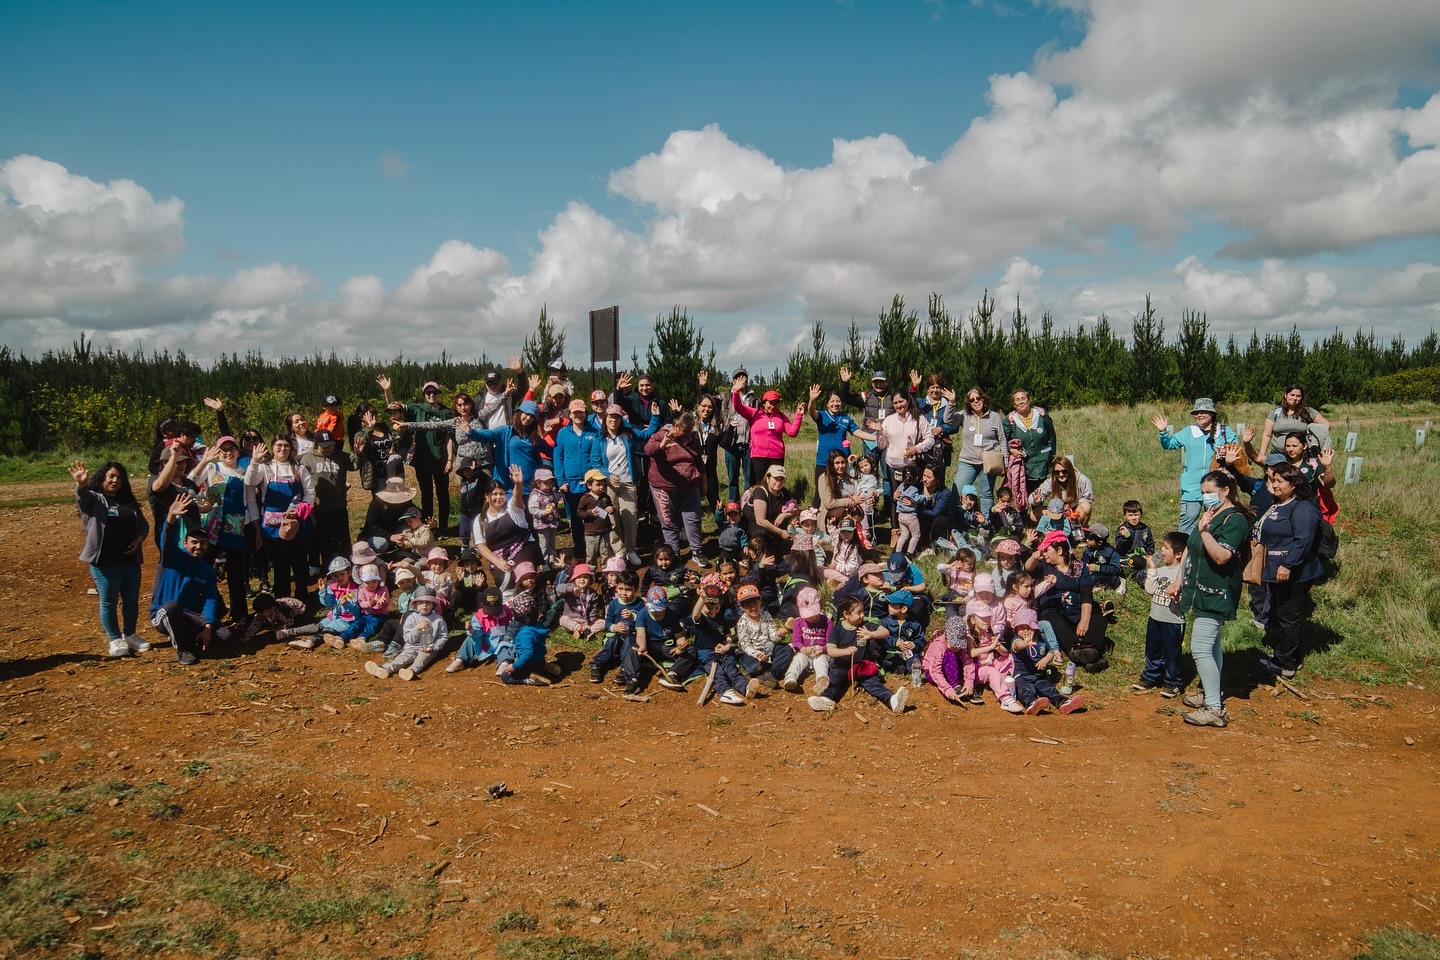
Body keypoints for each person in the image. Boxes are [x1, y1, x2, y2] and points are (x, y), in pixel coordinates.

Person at [1177, 470, 1253, 728]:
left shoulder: (1235, 520)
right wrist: (1179, 580)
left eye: (1209, 492)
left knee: (1200, 648)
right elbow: (1191, 549)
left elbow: (1221, 557)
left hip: (1217, 593)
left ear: (1225, 491)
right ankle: (1212, 693)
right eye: (1202, 492)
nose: (1205, 497)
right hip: (1200, 590)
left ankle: (1214, 709)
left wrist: (1205, 532)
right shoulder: (1211, 513)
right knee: (1211, 647)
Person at [71, 459, 150, 658]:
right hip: (105, 562)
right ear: (102, 479)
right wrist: (81, 484)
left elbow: (143, 524)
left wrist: (139, 540)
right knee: (109, 602)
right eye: (111, 476)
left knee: (131, 600)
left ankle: (130, 635)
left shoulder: (128, 501)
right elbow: (82, 496)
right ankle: (115, 639)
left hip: (130, 562)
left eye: (119, 477)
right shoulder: (94, 500)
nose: (115, 480)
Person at [1254, 462, 1324, 680]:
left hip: (1293, 573)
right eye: (1273, 480)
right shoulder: (1278, 504)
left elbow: (1303, 540)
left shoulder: (1302, 508)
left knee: (1288, 616)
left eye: (1280, 481)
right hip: (1275, 569)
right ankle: (1292, 656)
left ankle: (1285, 663)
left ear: (1293, 485)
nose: (1274, 485)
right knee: (1282, 613)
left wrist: (1287, 565)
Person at [149, 493, 229, 665]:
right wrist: (171, 517)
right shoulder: (171, 557)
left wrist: (208, 627)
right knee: (172, 607)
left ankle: (191, 635)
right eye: (194, 542)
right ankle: (183, 648)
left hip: (189, 615)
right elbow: (166, 539)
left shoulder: (207, 570)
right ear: (185, 543)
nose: (198, 546)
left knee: (224, 637)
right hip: (164, 613)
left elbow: (209, 599)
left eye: (203, 543)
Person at [188, 436, 258, 625]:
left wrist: (256, 528)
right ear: (218, 452)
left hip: (236, 528)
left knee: (236, 574)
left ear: (237, 451)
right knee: (203, 567)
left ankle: (239, 614)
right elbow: (190, 482)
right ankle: (211, 608)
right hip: (212, 528)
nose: (228, 453)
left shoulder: (244, 474)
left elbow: (251, 502)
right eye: (224, 449)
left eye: (231, 449)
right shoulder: (212, 468)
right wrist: (204, 461)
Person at [807, 595, 909, 715]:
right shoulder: (837, 629)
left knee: (873, 682)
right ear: (846, 614)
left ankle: (892, 700)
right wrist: (846, 651)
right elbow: (831, 650)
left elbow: (885, 632)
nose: (862, 615)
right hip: (841, 666)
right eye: (858, 612)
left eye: (863, 611)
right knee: (835, 680)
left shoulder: (865, 626)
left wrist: (871, 634)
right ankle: (826, 699)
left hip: (861, 666)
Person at [245, 435, 317, 605]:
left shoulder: (299, 468)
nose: (283, 449)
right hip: (274, 527)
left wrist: (299, 510)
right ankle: (282, 603)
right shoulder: (265, 467)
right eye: (279, 445)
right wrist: (254, 461)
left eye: (286, 446)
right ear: (272, 447)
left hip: (297, 522)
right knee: (280, 566)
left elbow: (310, 492)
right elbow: (250, 481)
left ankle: (301, 600)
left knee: (300, 564)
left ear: (291, 449)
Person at [379, 376, 455, 531]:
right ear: (424, 395)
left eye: (434, 392)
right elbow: (394, 408)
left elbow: (448, 437)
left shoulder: (446, 412)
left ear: (439, 393)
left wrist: (450, 459)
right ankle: (428, 526)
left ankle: (444, 527)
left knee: (443, 494)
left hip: (440, 459)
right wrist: (387, 390)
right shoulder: (416, 409)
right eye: (428, 392)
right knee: (426, 495)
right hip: (422, 459)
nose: (431, 395)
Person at [1154, 398, 1240, 534]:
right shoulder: (1189, 431)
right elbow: (1169, 444)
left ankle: (1211, 546)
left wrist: (1227, 453)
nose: (1199, 415)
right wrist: (1163, 432)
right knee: (1188, 522)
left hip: (1216, 486)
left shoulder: (1223, 431)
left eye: (1203, 412)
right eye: (1196, 413)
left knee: (1215, 522)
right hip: (1191, 487)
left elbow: (1236, 450)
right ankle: (1183, 547)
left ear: (1212, 413)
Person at [1024, 530, 1106, 667]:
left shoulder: (1079, 568)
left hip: (1076, 613)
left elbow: (1086, 596)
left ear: (1060, 550)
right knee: (1050, 618)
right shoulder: (1044, 566)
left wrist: (1084, 620)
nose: (1044, 553)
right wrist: (1033, 557)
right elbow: (1028, 568)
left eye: (1047, 550)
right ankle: (1077, 649)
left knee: (1099, 620)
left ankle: (1088, 653)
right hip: (1056, 614)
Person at [599, 401, 661, 566]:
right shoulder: (600, 438)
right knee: (612, 517)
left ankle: (631, 549)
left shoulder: (629, 434)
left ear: (621, 419)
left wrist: (655, 416)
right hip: (609, 485)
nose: (614, 420)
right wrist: (607, 475)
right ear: (605, 418)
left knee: (630, 517)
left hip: (627, 482)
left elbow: (648, 434)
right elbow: (595, 461)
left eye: (617, 417)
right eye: (611, 417)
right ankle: (619, 550)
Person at [644, 410, 708, 565]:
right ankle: (674, 553)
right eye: (685, 431)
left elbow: (699, 461)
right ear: (675, 426)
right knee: (669, 522)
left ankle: (697, 551)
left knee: (693, 519)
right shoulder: (660, 435)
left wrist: (703, 481)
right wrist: (662, 445)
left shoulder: (692, 439)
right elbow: (648, 450)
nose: (688, 434)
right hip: (664, 487)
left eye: (690, 431)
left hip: (690, 486)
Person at [1133, 531, 1188, 697]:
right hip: (1155, 617)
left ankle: (1173, 682)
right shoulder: (1161, 569)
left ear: (1179, 554)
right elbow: (1150, 589)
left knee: (1172, 652)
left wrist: (1178, 597)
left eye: (1166, 547)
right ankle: (1151, 676)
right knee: (1152, 650)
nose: (1161, 550)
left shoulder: (1183, 574)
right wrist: (1152, 569)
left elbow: (1187, 599)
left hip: (1173, 621)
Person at [876, 391, 933, 547]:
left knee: (912, 498)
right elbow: (882, 444)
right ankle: (896, 531)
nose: (898, 405)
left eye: (901, 401)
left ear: (908, 400)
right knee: (896, 497)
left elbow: (930, 439)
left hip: (912, 466)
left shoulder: (918, 418)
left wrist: (917, 448)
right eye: (895, 403)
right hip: (893, 465)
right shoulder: (889, 420)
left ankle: (914, 533)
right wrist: (879, 431)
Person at [808, 385, 875, 506]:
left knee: (843, 490)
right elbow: (811, 412)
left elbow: (858, 432)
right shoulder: (822, 415)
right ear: (827, 404)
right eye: (832, 401)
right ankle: (814, 514)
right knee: (820, 492)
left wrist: (876, 438)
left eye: (838, 401)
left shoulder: (846, 418)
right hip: (824, 461)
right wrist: (812, 400)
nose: (835, 404)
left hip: (842, 462)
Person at [553, 397, 605, 554]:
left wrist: (596, 479)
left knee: (594, 515)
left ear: (585, 413)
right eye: (574, 413)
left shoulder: (594, 432)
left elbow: (597, 456)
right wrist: (561, 481)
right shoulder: (563, 433)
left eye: (581, 412)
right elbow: (558, 457)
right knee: (576, 517)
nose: (578, 415)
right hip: (570, 483)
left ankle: (595, 548)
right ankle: (580, 548)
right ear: (569, 414)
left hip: (590, 482)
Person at [472, 465, 536, 593]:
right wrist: (498, 562)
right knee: (503, 579)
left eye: (501, 494)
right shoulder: (480, 520)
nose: (498, 497)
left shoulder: (512, 508)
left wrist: (518, 484)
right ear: (487, 497)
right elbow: (481, 546)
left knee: (522, 573)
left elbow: (517, 497)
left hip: (523, 548)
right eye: (494, 494)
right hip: (500, 556)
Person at [730, 374, 803, 486]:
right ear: (764, 403)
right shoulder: (754, 413)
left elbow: (792, 432)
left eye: (776, 403)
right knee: (757, 486)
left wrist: (799, 415)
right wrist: (736, 392)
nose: (773, 406)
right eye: (770, 403)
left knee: (775, 486)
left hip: (777, 457)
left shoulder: (781, 416)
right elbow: (738, 407)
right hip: (758, 457)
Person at [364, 586, 447, 680]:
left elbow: (442, 636)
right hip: (411, 646)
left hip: (428, 648)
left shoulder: (438, 619)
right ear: (415, 604)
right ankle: (386, 668)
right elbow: (407, 638)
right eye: (421, 602)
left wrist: (434, 647)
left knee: (421, 659)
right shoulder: (411, 618)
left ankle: (411, 671)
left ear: (433, 604)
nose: (424, 605)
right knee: (403, 658)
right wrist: (417, 628)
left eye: (428, 602)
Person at [952, 386, 1006, 518]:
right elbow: (949, 421)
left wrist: (1006, 461)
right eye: (972, 400)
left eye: (978, 398)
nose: (976, 401)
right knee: (957, 491)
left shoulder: (994, 416)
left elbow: (1002, 439)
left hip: (988, 462)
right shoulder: (964, 415)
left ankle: (986, 523)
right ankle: (957, 521)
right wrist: (951, 402)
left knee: (986, 495)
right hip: (967, 461)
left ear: (983, 398)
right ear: (968, 403)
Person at [1003, 389, 1058, 494]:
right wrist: (1011, 450)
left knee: (1040, 494)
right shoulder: (1009, 420)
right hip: (1022, 465)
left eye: (1023, 398)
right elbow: (1002, 439)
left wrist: (1052, 454)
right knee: (1023, 494)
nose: (1021, 402)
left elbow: (1051, 435)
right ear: (1014, 404)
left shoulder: (1042, 415)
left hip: (1043, 462)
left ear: (1029, 400)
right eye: (1017, 400)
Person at [836, 367, 897, 460]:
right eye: (875, 382)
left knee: (887, 468)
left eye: (881, 382)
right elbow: (846, 397)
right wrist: (844, 383)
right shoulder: (866, 396)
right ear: (872, 383)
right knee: (869, 467)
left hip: (888, 439)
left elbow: (907, 404)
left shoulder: (894, 397)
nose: (878, 385)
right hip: (870, 440)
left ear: (886, 382)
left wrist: (914, 387)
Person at [1257, 384, 1332, 456]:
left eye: (1298, 396)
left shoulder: (1308, 412)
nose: (1295, 398)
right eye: (1292, 395)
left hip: (1302, 456)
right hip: (1278, 455)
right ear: (1285, 395)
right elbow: (1267, 435)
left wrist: (1313, 437)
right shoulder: (1275, 413)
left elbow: (1326, 425)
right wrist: (1262, 454)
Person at [1028, 456, 1095, 528]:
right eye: (1057, 472)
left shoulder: (1082, 480)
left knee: (1086, 507)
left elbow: (1088, 499)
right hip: (1057, 511)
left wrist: (1071, 506)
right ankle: (1054, 528)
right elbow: (1032, 498)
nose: (1061, 475)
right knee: (1034, 515)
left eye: (1064, 471)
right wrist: (1036, 500)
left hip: (1075, 510)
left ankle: (1078, 529)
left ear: (1070, 470)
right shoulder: (1052, 481)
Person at [743, 465, 796, 549]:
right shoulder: (760, 492)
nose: (779, 482)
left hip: (772, 522)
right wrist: (780, 532)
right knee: (761, 532)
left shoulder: (783, 492)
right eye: (776, 478)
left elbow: (796, 510)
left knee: (795, 520)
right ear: (767, 479)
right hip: (753, 524)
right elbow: (760, 520)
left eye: (781, 479)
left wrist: (783, 515)